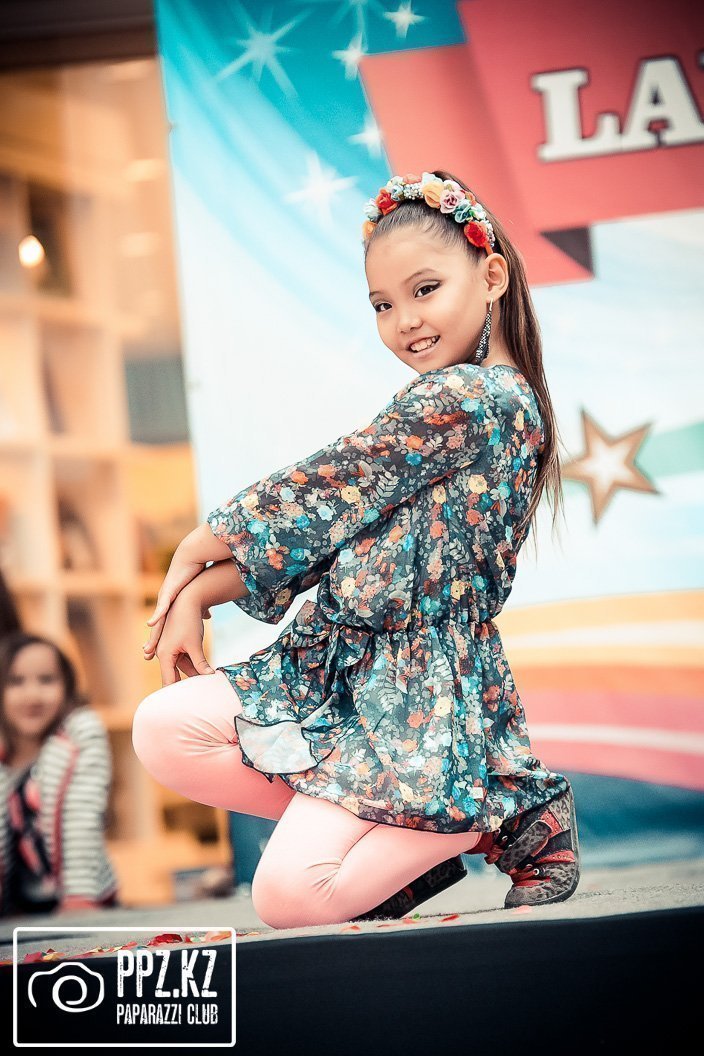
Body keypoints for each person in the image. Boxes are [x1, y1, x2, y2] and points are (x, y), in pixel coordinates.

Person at [133, 169, 580, 928]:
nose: (405, 321)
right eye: (382, 304)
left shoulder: (475, 397)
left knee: (288, 898)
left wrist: (194, 548)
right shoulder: (453, 400)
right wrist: (195, 593)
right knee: (164, 728)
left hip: (416, 695)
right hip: (338, 665)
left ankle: (482, 811)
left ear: (492, 276)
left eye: (425, 289)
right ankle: (415, 828)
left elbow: (329, 484)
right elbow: (338, 527)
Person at [0, 631, 119, 916]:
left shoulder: (78, 735)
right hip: (17, 910)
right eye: (16, 681)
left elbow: (82, 819)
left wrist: (80, 899)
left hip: (82, 898)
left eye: (46, 680)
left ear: (67, 687)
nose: (32, 695)